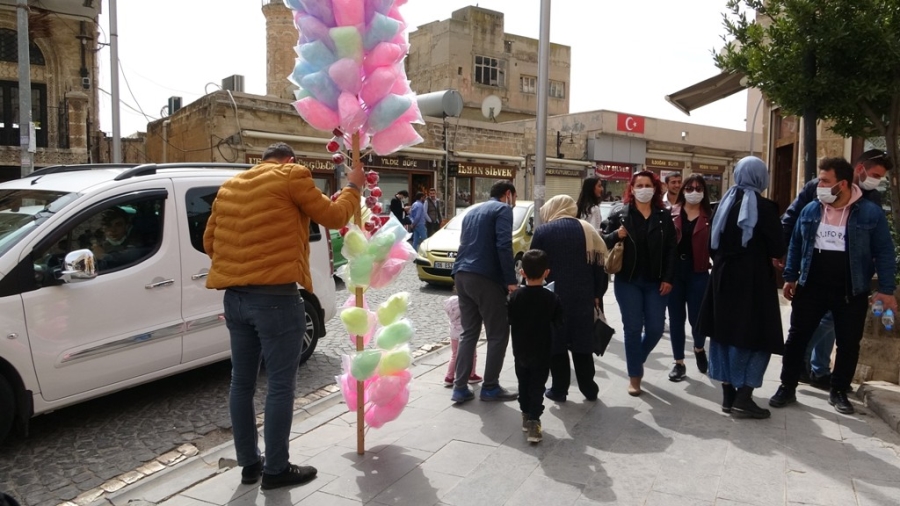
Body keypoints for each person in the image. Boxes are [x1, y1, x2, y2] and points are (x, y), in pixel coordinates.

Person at [204, 142, 363, 490]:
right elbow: (335, 217)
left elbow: (209, 242)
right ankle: (276, 469)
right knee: (279, 384)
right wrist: (353, 186)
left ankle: (249, 465)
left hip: (235, 299)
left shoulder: (231, 186)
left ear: (261, 161)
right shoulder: (292, 174)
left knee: (241, 383)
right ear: (289, 160)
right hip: (276, 298)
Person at [769, 157, 897, 415]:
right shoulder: (811, 210)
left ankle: (838, 390)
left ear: (842, 184)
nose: (820, 186)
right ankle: (787, 385)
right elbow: (796, 243)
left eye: (825, 181)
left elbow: (884, 251)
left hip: (851, 290)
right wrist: (790, 276)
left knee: (849, 343)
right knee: (796, 338)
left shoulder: (870, 213)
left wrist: (886, 289)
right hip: (811, 287)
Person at [696, 156, 784, 419]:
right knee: (759, 338)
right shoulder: (765, 207)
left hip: (722, 279)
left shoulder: (723, 204)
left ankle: (728, 398)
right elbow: (778, 247)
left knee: (723, 336)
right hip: (754, 281)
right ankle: (744, 396)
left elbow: (713, 244)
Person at [603, 171, 677, 396]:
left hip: (656, 282)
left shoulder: (664, 216)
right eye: (639, 185)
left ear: (654, 189)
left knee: (655, 329)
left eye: (648, 185)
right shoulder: (619, 214)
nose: (644, 188)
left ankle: (637, 357)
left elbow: (672, 250)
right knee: (633, 329)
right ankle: (635, 377)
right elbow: (602, 242)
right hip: (628, 281)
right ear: (632, 189)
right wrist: (617, 234)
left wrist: (668, 278)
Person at [532, 195, 608, 402]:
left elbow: (533, 263)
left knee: (556, 344)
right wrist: (597, 294)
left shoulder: (543, 232)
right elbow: (600, 266)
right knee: (582, 343)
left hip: (553, 297)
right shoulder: (587, 230)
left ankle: (559, 389)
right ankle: (589, 389)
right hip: (582, 297)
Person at [450, 180, 519, 404]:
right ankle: (490, 387)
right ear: (508, 194)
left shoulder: (473, 211)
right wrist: (511, 280)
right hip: (485, 276)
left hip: (462, 274)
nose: (514, 203)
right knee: (498, 333)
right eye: (514, 198)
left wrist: (456, 275)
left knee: (469, 332)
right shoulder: (503, 209)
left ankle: (460, 387)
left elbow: (463, 243)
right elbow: (503, 245)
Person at [508, 249, 564, 443]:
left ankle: (525, 414)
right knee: (537, 386)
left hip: (520, 349)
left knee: (523, 382)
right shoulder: (551, 298)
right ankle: (534, 421)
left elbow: (509, 318)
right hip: (542, 350)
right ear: (546, 273)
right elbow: (559, 322)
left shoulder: (515, 297)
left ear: (522, 272)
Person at [666, 174, 713, 382]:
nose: (694, 192)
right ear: (683, 191)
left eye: (698, 188)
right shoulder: (670, 214)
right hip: (675, 274)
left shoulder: (710, 217)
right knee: (676, 319)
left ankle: (699, 348)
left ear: (704, 192)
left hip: (699, 272)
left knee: (697, 319)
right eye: (690, 188)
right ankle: (679, 363)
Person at [443, 295, 482, 386]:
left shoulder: (451, 302)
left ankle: (449, 377)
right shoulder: (465, 303)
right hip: (465, 335)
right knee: (472, 355)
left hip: (453, 334)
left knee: (454, 355)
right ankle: (471, 375)